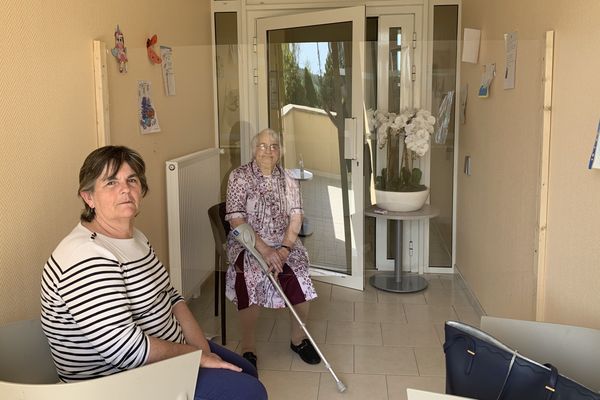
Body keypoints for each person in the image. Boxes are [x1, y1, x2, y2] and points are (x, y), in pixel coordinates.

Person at [40, 145, 267, 400]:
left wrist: (203, 351)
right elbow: (126, 350)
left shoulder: (134, 237)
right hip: (116, 383)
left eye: (132, 180)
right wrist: (196, 357)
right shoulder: (84, 256)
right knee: (249, 392)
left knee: (246, 371)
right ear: (88, 197)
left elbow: (171, 297)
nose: (125, 189)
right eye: (111, 182)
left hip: (164, 359)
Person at [225, 128, 321, 369]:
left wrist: (285, 249)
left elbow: (297, 217)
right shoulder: (239, 177)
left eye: (274, 146)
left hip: (284, 244)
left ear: (280, 151)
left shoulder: (288, 178)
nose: (268, 151)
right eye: (262, 146)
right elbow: (236, 220)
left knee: (298, 275)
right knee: (250, 276)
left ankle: (298, 339)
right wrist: (266, 251)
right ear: (253, 150)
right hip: (248, 243)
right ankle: (248, 346)